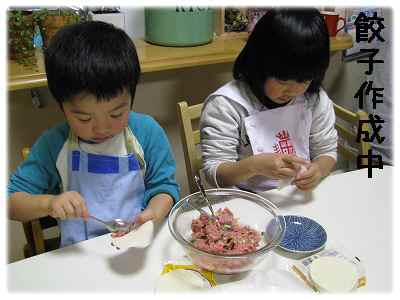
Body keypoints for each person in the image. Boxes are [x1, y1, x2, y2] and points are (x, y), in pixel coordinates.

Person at [8, 21, 180, 247]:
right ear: (62, 106)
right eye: (84, 119)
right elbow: (12, 203)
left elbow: (164, 188)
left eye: (117, 114)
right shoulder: (55, 143)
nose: (102, 129)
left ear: (131, 98)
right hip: (80, 254)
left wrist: (153, 214)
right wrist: (49, 203)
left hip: (137, 245)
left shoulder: (147, 132)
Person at [200, 8, 338, 193]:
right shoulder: (227, 105)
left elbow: (326, 151)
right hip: (245, 199)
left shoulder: (315, 99)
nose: (294, 90)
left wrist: (318, 170)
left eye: (304, 80)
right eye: (283, 80)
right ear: (259, 65)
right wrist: (253, 166)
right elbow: (214, 174)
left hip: (297, 195)